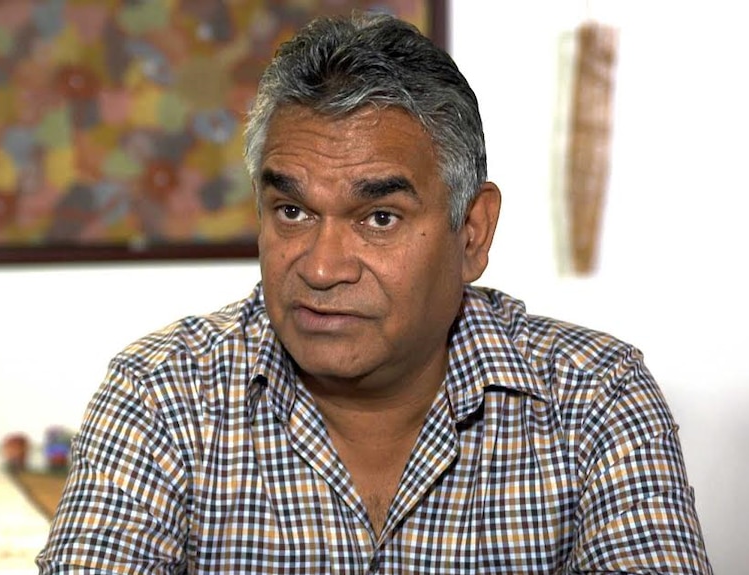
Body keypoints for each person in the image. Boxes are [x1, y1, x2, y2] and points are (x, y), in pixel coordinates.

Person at [37, 11, 712, 574]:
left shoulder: (592, 400)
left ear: (471, 233)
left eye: (379, 218)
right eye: (292, 211)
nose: (322, 267)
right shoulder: (162, 394)